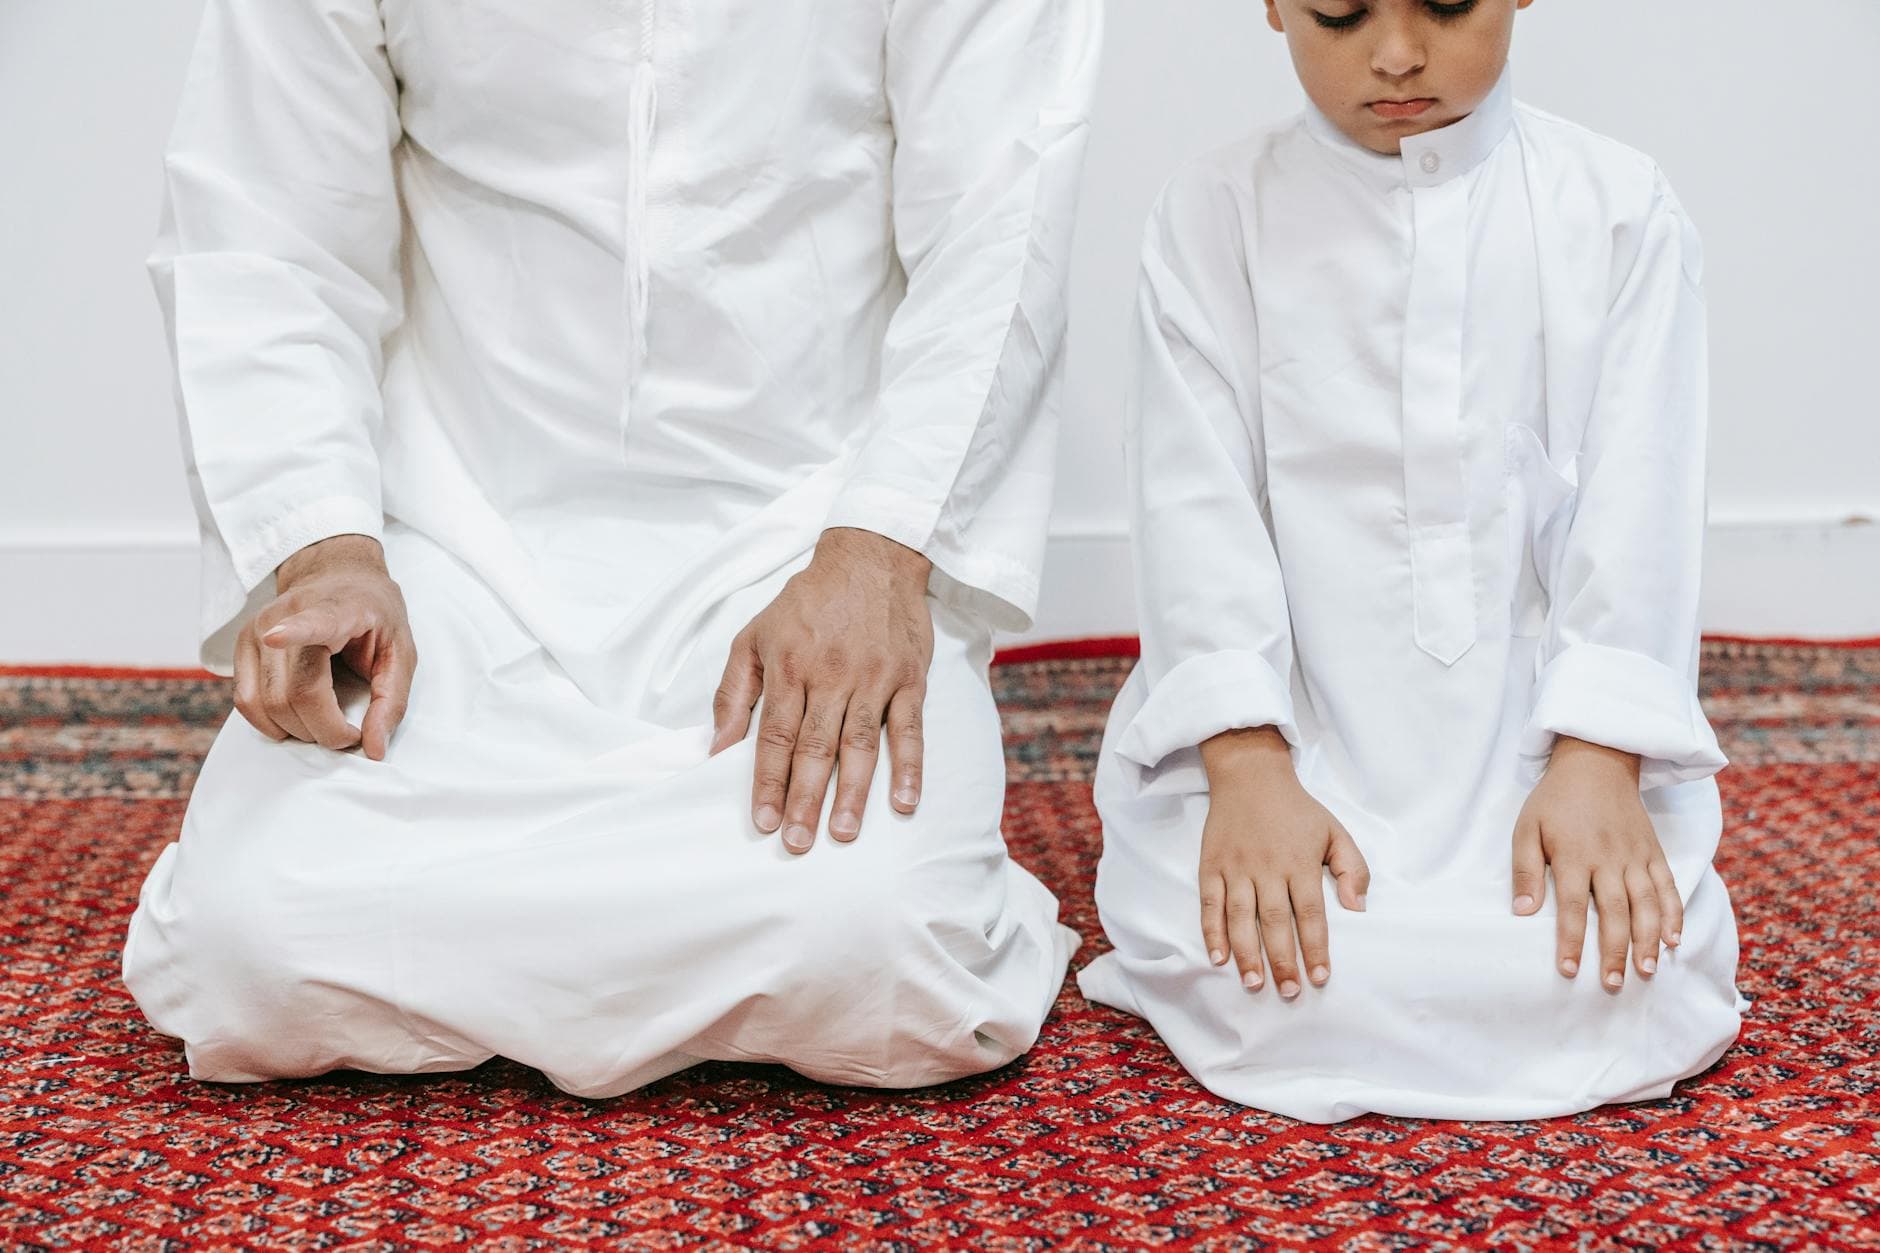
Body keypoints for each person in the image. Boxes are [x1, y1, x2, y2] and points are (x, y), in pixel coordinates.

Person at [123, 0, 1101, 1096]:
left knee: (887, 954)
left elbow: (996, 223)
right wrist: (326, 550)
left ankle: (479, 943)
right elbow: (267, 233)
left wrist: (878, 551)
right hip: (450, 541)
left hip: (804, 548)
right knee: (244, 948)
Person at [1077, 0, 1744, 1123]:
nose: (1393, 55)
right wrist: (1245, 771)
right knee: (1281, 967)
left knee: (1603, 968)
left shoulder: (1618, 209)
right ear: (1274, 3)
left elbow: (1641, 504)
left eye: (1443, 4)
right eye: (1338, 13)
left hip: (1538, 745)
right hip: (1292, 739)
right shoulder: (1212, 212)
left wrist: (1594, 758)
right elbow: (1192, 506)